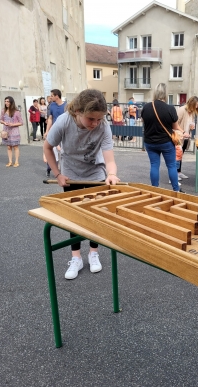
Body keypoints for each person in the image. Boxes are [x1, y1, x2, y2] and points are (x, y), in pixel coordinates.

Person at [43, 89, 121, 280]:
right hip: (71, 175)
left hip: (95, 173)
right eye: (90, 119)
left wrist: (111, 174)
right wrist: (58, 174)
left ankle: (93, 252)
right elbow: (47, 147)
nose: (95, 124)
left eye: (99, 119)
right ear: (78, 111)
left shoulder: (103, 126)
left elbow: (110, 159)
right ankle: (76, 257)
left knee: (95, 214)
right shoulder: (64, 121)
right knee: (75, 217)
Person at [141, 83, 188, 192]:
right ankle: (176, 189)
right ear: (165, 93)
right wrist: (184, 132)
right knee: (171, 166)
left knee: (154, 165)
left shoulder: (146, 107)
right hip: (166, 142)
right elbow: (175, 127)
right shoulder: (170, 108)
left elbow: (144, 122)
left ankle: (155, 190)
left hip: (150, 142)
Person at [177, 96, 198, 180]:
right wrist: (183, 132)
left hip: (186, 137)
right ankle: (174, 174)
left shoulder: (193, 112)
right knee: (177, 155)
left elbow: (190, 123)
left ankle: (179, 172)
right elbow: (175, 124)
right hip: (179, 137)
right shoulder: (182, 110)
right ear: (191, 103)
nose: (196, 107)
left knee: (180, 155)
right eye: (195, 105)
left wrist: (191, 128)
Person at [0, 96, 23, 167]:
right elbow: (0, 120)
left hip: (14, 131)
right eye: (5, 101)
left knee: (15, 146)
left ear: (11, 102)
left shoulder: (16, 112)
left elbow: (21, 122)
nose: (6, 103)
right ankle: (10, 161)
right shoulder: (3, 111)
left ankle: (16, 161)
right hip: (6, 131)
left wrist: (12, 124)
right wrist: (4, 122)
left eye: (8, 101)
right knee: (8, 147)